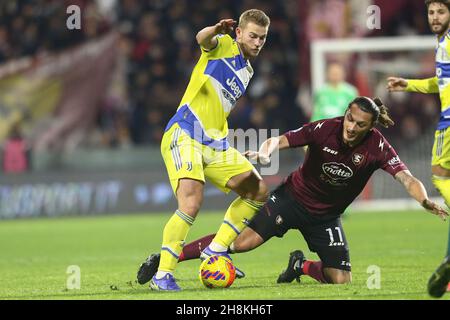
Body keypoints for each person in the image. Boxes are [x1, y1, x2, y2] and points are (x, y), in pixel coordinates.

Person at [138, 97, 449, 285]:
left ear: (371, 126)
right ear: (346, 114)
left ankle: (300, 266)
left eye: (360, 124)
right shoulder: (324, 128)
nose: (351, 127)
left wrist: (423, 199)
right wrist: (264, 151)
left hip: (326, 217)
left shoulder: (377, 145)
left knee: (341, 279)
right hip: (290, 200)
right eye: (350, 119)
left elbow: (407, 177)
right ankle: (168, 258)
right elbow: (283, 139)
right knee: (240, 243)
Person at [136, 9, 271, 291]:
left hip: (215, 142)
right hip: (185, 132)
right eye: (253, 36)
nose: (258, 42)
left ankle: (215, 250)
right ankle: (162, 276)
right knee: (191, 202)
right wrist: (215, 29)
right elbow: (202, 39)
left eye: (263, 38)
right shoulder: (223, 45)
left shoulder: (248, 71)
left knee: (257, 190)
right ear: (239, 33)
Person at [386, 0, 450, 297]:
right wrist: (409, 84)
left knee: (439, 175)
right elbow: (441, 82)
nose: (435, 17)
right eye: (431, 12)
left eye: (441, 11)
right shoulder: (442, 43)